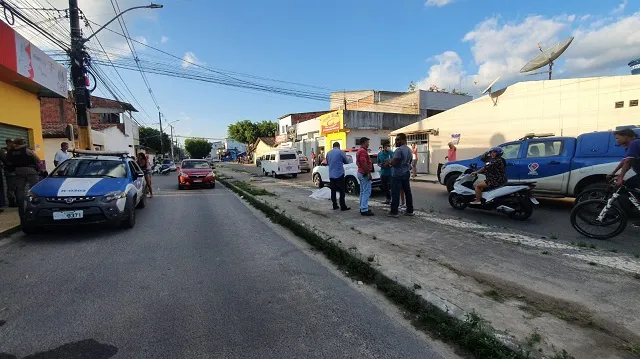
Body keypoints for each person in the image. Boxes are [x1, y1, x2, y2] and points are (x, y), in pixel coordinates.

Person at [7, 138, 41, 220]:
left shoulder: (10, 151)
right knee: (35, 188)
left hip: (18, 171)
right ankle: (36, 204)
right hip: (30, 170)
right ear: (22, 142)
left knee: (20, 190)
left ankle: (21, 205)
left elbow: (8, 161)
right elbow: (38, 160)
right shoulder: (26, 150)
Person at [388, 133, 414, 217]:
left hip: (397, 174)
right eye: (396, 140)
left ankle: (394, 212)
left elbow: (395, 163)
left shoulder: (399, 150)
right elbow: (409, 162)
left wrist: (390, 161)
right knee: (407, 192)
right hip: (406, 173)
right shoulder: (409, 150)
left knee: (395, 193)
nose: (396, 141)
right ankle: (410, 210)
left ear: (403, 140)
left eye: (398, 139)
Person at [325, 142, 350, 211]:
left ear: (333, 146)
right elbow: (346, 161)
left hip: (331, 175)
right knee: (342, 190)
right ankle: (343, 206)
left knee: (333, 191)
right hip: (339, 174)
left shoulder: (328, 153)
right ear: (339, 146)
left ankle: (334, 205)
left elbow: (327, 163)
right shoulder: (340, 152)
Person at [356, 137, 374, 216]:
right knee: (366, 192)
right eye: (367, 142)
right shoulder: (362, 151)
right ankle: (364, 209)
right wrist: (368, 173)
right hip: (364, 173)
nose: (368, 144)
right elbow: (363, 163)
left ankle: (362, 207)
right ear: (364, 142)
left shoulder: (360, 151)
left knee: (362, 192)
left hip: (361, 172)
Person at [0, 139, 16, 207]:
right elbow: (6, 161)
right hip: (10, 171)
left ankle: (17, 201)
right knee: (11, 188)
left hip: (16, 171)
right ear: (8, 143)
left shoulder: (14, 150)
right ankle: (11, 203)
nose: (13, 143)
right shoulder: (4, 150)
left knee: (17, 187)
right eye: (11, 142)